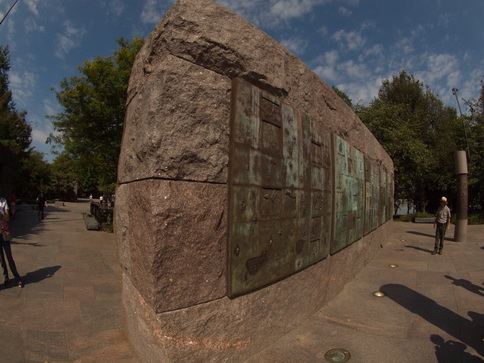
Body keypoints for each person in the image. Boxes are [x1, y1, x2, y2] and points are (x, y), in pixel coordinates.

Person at [0, 189, 23, 287]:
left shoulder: (3, 201)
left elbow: (7, 217)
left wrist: (1, 214)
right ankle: (6, 276)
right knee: (1, 258)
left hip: (3, 232)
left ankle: (17, 278)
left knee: (9, 256)